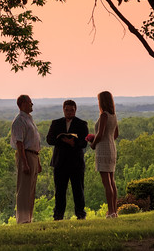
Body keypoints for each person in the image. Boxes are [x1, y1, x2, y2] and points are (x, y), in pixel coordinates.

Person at [46, 99, 89, 220]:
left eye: (72, 110)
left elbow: (84, 143)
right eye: (67, 110)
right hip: (60, 162)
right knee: (59, 191)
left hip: (76, 163)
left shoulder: (82, 124)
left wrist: (73, 142)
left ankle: (80, 214)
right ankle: (58, 215)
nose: (69, 112)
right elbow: (49, 140)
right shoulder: (56, 123)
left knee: (78, 190)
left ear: (75, 110)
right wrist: (63, 140)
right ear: (63, 110)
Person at [10, 94, 42, 223]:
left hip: (33, 155)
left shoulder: (29, 119)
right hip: (26, 155)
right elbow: (19, 143)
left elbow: (34, 142)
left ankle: (29, 218)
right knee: (24, 189)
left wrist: (38, 162)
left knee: (31, 189)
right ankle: (22, 220)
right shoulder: (19, 121)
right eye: (30, 102)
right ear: (22, 104)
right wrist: (25, 163)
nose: (32, 104)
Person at [90, 90, 119, 218]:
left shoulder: (104, 116)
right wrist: (109, 138)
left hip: (103, 149)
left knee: (106, 182)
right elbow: (116, 134)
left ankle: (111, 211)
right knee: (112, 181)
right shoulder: (114, 115)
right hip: (112, 147)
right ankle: (114, 210)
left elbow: (100, 134)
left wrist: (93, 143)